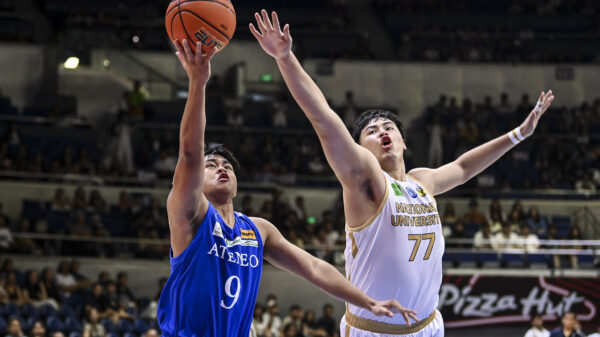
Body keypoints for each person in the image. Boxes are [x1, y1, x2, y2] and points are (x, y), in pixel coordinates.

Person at [251, 9, 555, 336]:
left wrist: (518, 134)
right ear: (360, 149)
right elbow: (324, 120)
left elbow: (464, 167)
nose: (382, 131)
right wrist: (285, 57)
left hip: (428, 325)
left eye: (389, 126)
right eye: (371, 130)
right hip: (375, 328)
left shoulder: (422, 181)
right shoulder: (366, 179)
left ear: (403, 142)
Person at [156, 38, 413, 337]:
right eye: (211, 165)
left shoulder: (257, 230)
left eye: (226, 165)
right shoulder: (189, 215)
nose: (221, 167)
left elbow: (314, 269)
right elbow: (189, 155)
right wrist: (198, 82)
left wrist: (367, 301)